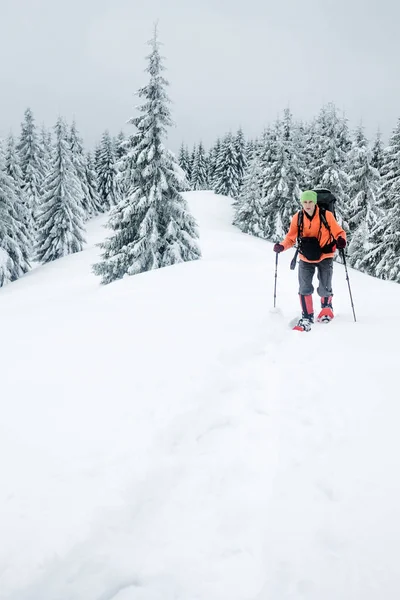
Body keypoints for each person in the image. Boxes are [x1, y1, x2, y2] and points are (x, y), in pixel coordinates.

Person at [273, 190, 346, 331]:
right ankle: (307, 315)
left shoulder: (326, 215)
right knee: (304, 287)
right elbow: (290, 238)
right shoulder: (298, 217)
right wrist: (282, 246)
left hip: (325, 256)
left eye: (310, 202)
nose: (307, 205)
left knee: (325, 286)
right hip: (305, 257)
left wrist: (341, 240)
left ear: (315, 202)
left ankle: (326, 309)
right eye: (305, 202)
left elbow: (339, 232)